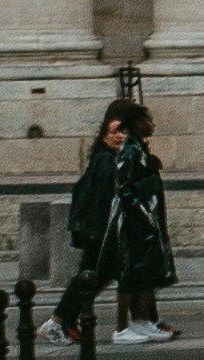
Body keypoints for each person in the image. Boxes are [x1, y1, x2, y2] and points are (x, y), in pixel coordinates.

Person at [67, 86, 179, 343]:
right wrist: (145, 199)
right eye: (115, 131)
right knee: (118, 276)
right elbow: (124, 190)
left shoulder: (134, 150)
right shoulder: (116, 155)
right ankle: (70, 321)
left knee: (134, 275)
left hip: (127, 224)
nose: (119, 136)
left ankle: (145, 321)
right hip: (119, 225)